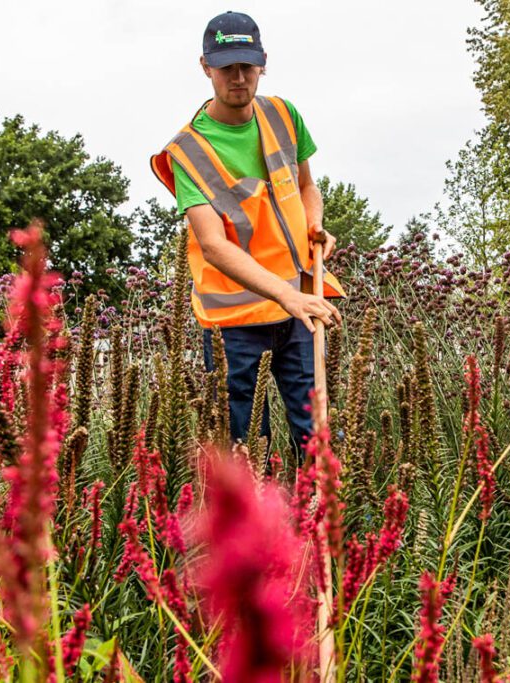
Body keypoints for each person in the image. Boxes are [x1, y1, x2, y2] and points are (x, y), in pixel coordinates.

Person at [151, 10, 344, 463]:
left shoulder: (283, 114)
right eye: (226, 68)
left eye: (247, 66)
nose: (238, 78)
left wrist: (314, 225)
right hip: (234, 326)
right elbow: (214, 247)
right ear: (205, 67)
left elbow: (305, 187)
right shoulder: (187, 152)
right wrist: (287, 296)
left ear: (262, 63)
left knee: (316, 444)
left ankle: (314, 531)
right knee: (245, 456)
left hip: (297, 305)